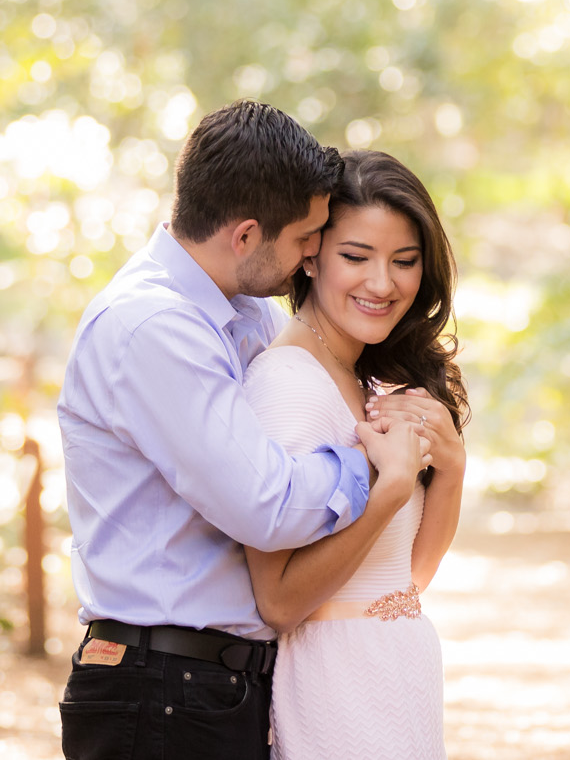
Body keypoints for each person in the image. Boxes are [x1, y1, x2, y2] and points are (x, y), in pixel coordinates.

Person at [57, 102, 431, 760]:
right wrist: (374, 464)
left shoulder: (243, 312)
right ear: (246, 234)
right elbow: (265, 505)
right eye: (305, 238)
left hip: (212, 681)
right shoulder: (152, 326)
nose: (312, 252)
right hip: (158, 682)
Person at [241, 149, 468, 760]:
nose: (382, 283)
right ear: (311, 256)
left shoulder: (367, 382)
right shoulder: (290, 384)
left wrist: (450, 470)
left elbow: (409, 579)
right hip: (336, 685)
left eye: (405, 262)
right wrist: (390, 490)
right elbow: (280, 601)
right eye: (356, 257)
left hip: (399, 669)